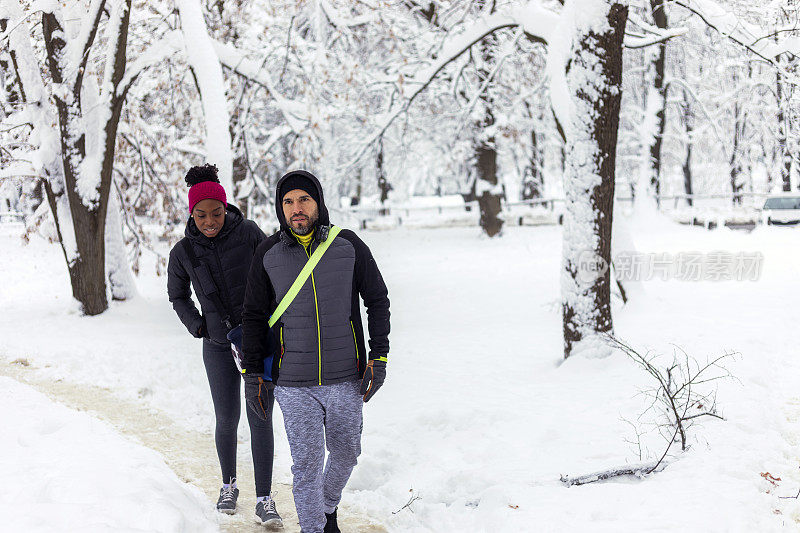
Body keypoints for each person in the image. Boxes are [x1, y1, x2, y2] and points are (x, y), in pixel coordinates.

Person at [241, 170, 390, 533]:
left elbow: (377, 300)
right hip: (293, 383)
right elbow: (254, 315)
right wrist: (252, 374)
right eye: (288, 202)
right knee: (305, 464)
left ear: (318, 202)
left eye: (303, 200)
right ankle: (314, 528)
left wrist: (378, 357)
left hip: (345, 379)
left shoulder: (348, 245)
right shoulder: (268, 253)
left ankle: (326, 509)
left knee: (346, 455)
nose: (296, 208)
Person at [167, 164, 283, 527]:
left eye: (216, 213)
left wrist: (272, 318)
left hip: (254, 342)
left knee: (260, 416)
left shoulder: (248, 233)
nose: (210, 221)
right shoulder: (183, 251)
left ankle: (264, 499)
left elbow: (275, 269)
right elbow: (177, 295)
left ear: (226, 207)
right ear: (191, 214)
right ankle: (228, 485)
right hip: (217, 345)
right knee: (226, 418)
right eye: (201, 215)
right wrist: (197, 325)